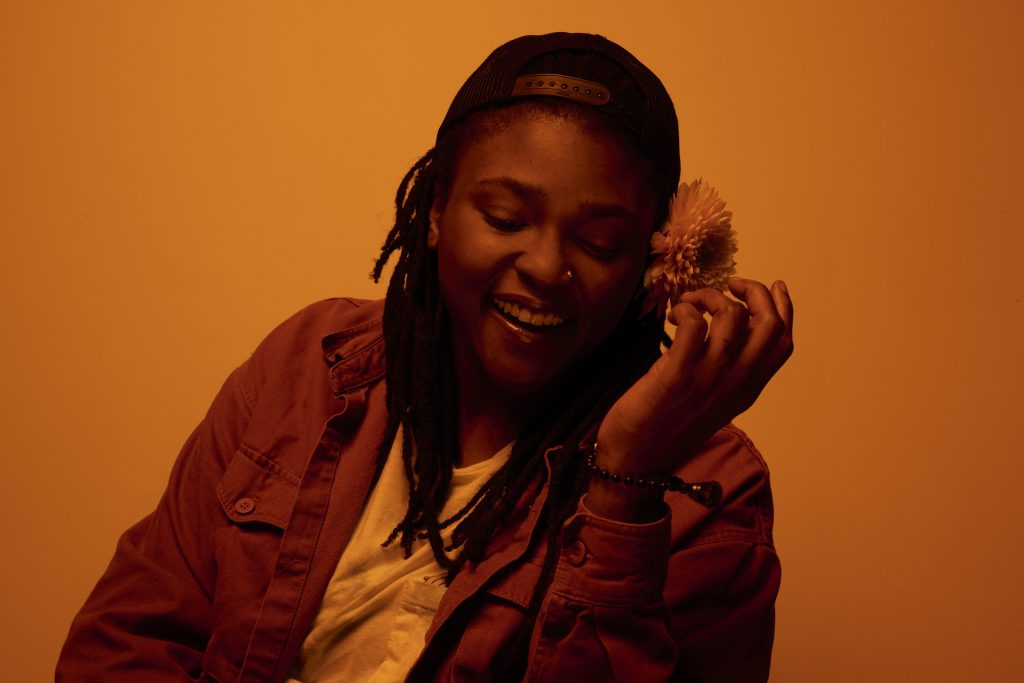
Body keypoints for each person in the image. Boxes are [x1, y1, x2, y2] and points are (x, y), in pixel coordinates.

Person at [56, 32, 794, 682]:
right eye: (506, 217)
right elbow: (126, 642)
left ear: (657, 262)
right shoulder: (308, 366)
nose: (545, 265)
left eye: (601, 243)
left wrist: (624, 481)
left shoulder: (709, 490)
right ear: (437, 210)